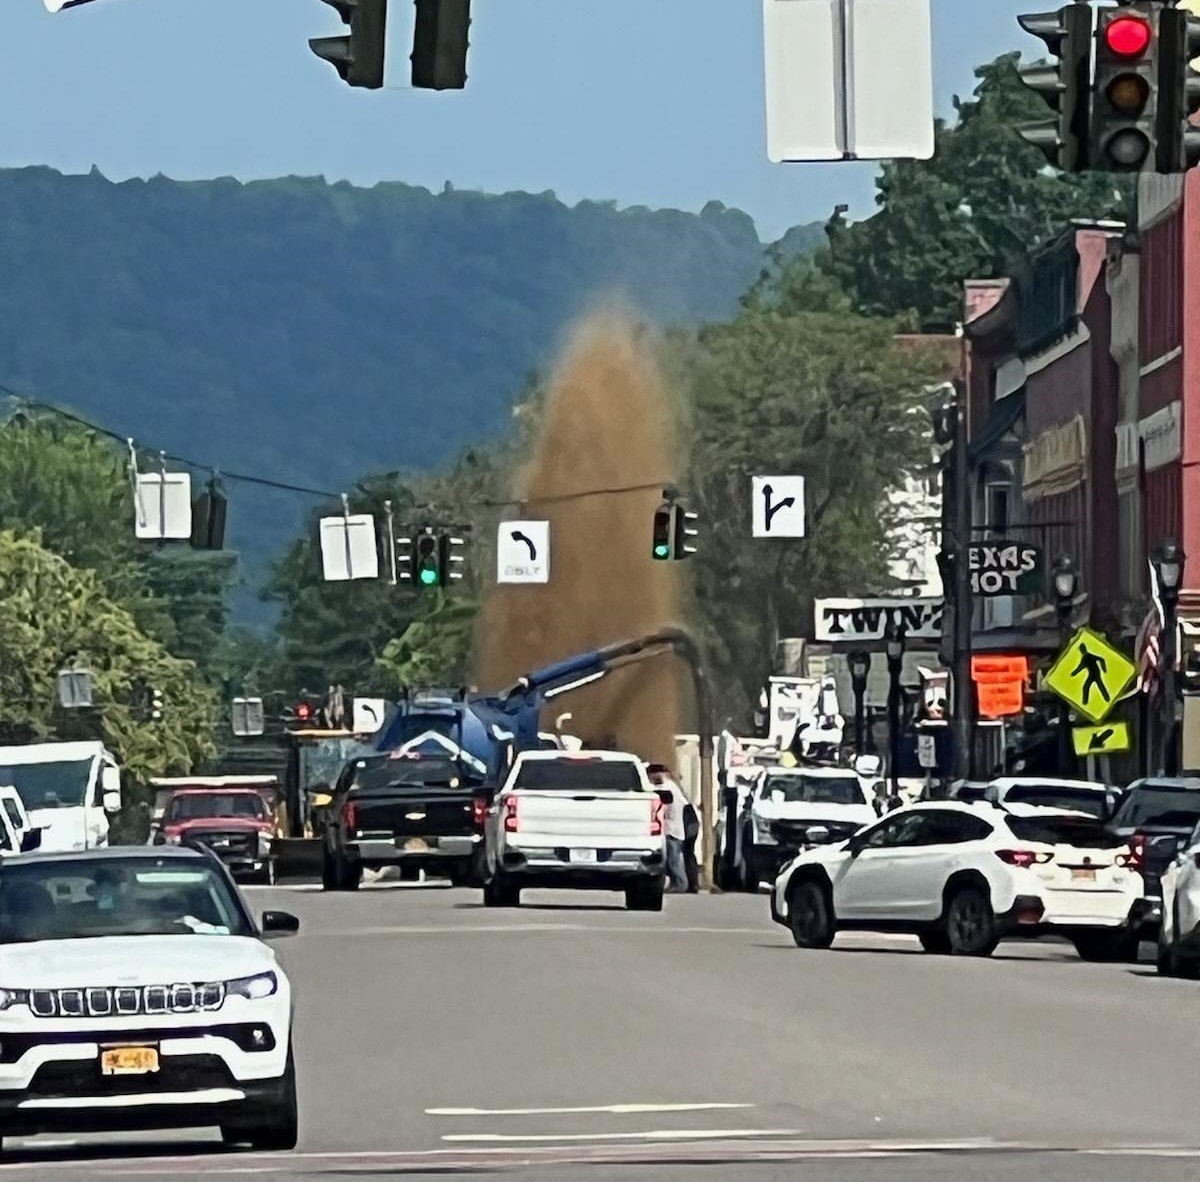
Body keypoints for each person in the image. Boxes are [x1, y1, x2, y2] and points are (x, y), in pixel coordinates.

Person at [648, 764, 688, 893]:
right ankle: (676, 883)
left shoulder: (668, 787)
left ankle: (681, 884)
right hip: (669, 828)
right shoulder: (669, 786)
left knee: (673, 860)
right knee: (670, 859)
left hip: (672, 829)